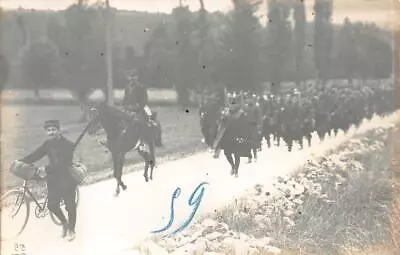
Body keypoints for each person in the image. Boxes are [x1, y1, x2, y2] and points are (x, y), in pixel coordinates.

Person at [19, 120, 78, 241]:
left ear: (59, 130)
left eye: (53, 130)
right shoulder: (48, 144)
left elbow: (63, 164)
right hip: (53, 178)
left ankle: (72, 228)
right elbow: (36, 154)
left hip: (67, 177)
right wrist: (21, 161)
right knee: (51, 205)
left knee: (70, 205)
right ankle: (65, 223)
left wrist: (46, 168)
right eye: (48, 130)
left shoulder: (68, 145)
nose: (51, 132)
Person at [123, 70, 163, 147]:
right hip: (128, 109)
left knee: (143, 120)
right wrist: (125, 106)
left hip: (139, 109)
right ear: (128, 78)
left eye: (134, 76)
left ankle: (147, 137)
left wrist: (136, 107)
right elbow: (125, 99)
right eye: (130, 76)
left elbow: (144, 101)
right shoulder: (127, 88)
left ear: (137, 77)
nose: (132, 78)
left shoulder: (141, 87)